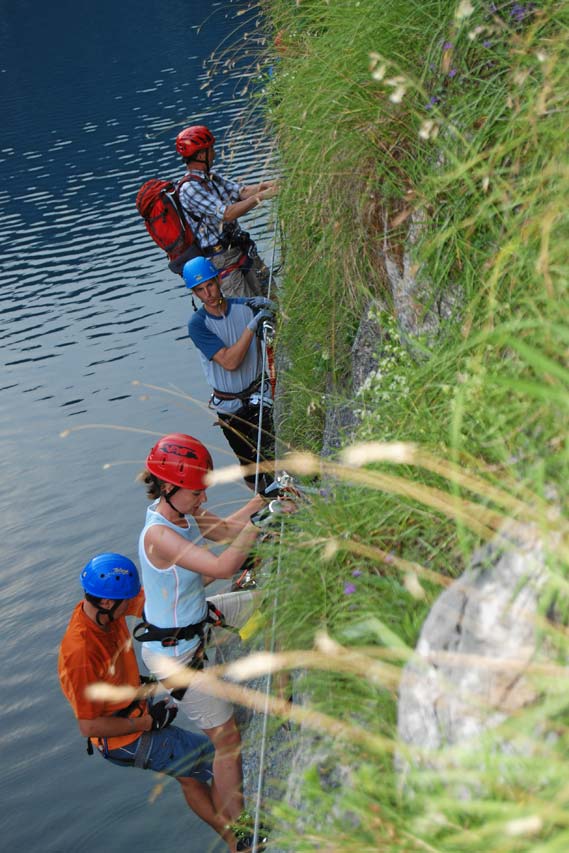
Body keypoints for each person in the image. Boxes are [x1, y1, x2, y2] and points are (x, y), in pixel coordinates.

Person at [136, 432, 289, 834]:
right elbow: (222, 567)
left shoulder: (180, 511)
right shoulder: (159, 535)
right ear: (168, 488)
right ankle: (241, 833)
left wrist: (262, 498)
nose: (202, 499)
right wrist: (263, 519)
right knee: (228, 742)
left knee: (274, 600)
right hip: (175, 658)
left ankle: (286, 693)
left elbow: (222, 532)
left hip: (197, 623)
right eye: (195, 493)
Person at [58, 553, 244, 851]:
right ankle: (242, 841)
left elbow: (164, 605)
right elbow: (88, 725)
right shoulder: (80, 652)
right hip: (123, 736)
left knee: (189, 777)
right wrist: (148, 721)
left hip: (134, 712)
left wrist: (227, 568)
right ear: (107, 603)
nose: (131, 604)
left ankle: (235, 843)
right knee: (218, 759)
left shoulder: (107, 608)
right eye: (126, 601)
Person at [184, 255, 276, 492]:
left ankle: (282, 496)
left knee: (272, 455)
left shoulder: (246, 307)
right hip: (230, 406)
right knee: (248, 465)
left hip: (259, 394)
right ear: (195, 294)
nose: (209, 294)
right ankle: (261, 501)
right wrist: (253, 326)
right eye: (201, 290)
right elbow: (229, 361)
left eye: (211, 285)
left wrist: (271, 312)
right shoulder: (198, 325)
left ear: (218, 280)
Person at [175, 124, 278, 298]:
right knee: (248, 310)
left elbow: (241, 192)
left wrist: (268, 185)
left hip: (240, 247)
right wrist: (262, 196)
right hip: (222, 259)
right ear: (201, 155)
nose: (214, 153)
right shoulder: (189, 188)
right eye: (211, 149)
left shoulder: (211, 178)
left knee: (270, 295)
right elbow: (227, 213)